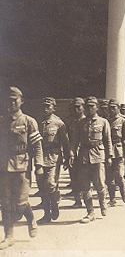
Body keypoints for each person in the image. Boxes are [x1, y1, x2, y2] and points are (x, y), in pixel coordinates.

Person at [0, 87, 43, 250]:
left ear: (21, 101)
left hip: (22, 166)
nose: (10, 103)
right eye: (8, 100)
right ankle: (9, 236)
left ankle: (30, 218)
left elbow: (37, 146)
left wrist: (39, 165)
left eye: (14, 100)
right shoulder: (2, 121)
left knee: (20, 203)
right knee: (5, 202)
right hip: (4, 166)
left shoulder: (29, 121)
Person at [69, 96, 112, 223]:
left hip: (98, 155)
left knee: (99, 183)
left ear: (97, 107)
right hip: (83, 156)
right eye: (87, 107)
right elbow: (74, 141)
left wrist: (109, 156)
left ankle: (103, 203)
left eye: (92, 106)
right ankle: (90, 212)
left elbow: (107, 140)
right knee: (85, 185)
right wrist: (72, 154)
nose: (89, 109)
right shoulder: (80, 123)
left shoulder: (103, 122)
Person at [37, 97, 69, 223]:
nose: (45, 108)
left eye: (48, 106)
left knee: (50, 184)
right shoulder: (38, 122)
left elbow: (65, 142)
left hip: (53, 157)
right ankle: (46, 214)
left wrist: (67, 158)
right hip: (40, 157)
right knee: (42, 187)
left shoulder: (59, 123)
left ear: (54, 108)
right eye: (44, 106)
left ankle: (54, 204)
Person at [106, 98, 125, 206]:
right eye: (110, 108)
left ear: (118, 108)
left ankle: (123, 191)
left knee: (119, 175)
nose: (111, 110)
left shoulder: (123, 121)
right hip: (108, 151)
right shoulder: (106, 121)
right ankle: (112, 199)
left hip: (119, 150)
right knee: (109, 177)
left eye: (113, 108)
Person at [64, 97, 85, 208]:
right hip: (72, 152)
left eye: (78, 107)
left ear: (83, 107)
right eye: (74, 108)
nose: (76, 110)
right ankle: (77, 201)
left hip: (85, 153)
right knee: (74, 177)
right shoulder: (69, 122)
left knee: (85, 177)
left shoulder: (87, 120)